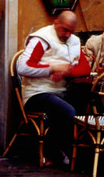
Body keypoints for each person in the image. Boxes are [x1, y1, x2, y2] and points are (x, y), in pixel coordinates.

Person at [17, 10, 91, 167]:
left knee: (90, 100)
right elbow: (22, 67)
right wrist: (52, 68)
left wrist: (67, 71)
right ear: (56, 23)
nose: (67, 34)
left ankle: (84, 152)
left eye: (71, 31)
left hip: (62, 91)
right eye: (64, 29)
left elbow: (85, 68)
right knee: (68, 112)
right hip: (38, 93)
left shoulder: (74, 41)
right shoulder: (42, 39)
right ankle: (55, 150)